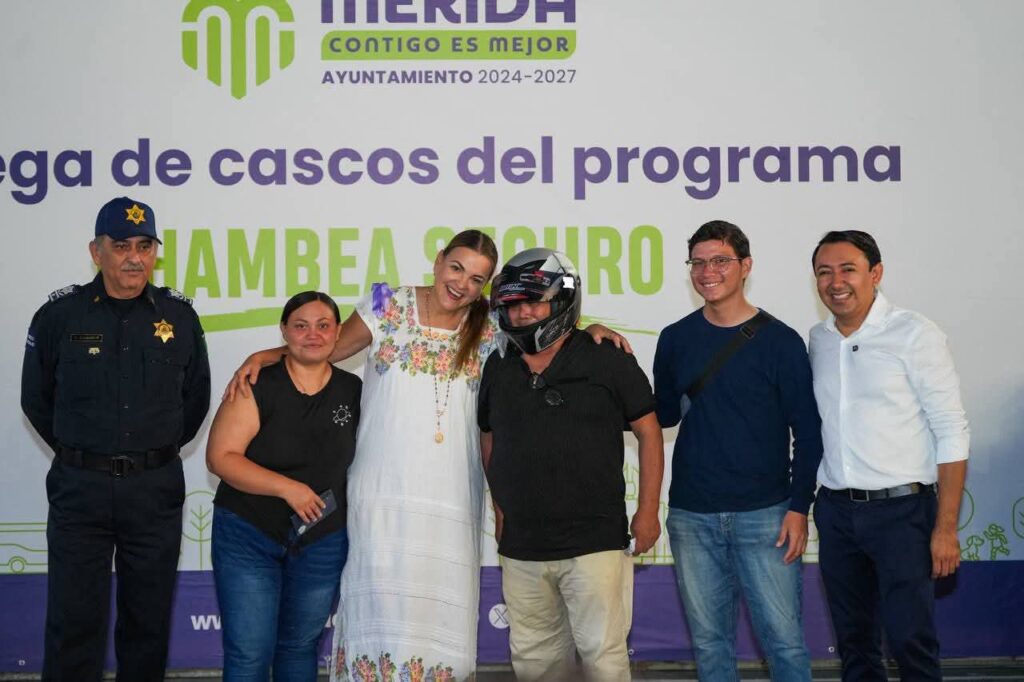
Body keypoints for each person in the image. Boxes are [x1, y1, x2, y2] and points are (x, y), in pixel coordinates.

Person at [226, 231, 629, 681]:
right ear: (438, 261)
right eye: (456, 268)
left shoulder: (493, 325)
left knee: (439, 617)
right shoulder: (386, 303)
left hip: (452, 494)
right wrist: (267, 354)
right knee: (381, 609)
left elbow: (546, 336)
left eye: (476, 279)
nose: (462, 284)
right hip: (382, 491)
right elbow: (325, 349)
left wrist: (591, 331)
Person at [20, 196, 211, 682]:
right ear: (96, 251)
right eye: (121, 245)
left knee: (147, 623)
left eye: (145, 246)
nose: (134, 257)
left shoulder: (179, 318)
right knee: (73, 622)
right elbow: (36, 400)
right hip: (80, 489)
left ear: (155, 252)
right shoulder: (60, 316)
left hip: (153, 490)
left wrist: (151, 453)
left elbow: (195, 401)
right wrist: (84, 452)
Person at [479, 248, 663, 682]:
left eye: (534, 302)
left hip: (594, 541)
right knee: (535, 661)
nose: (523, 313)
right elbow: (488, 436)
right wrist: (500, 508)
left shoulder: (606, 356)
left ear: (562, 301)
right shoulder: (499, 365)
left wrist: (648, 512)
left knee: (603, 659)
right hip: (522, 546)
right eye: (513, 304)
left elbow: (650, 432)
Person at [653, 220, 820, 682]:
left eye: (720, 260)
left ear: (746, 266)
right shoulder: (675, 338)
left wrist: (799, 508)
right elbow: (661, 415)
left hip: (767, 516)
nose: (708, 271)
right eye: (698, 262)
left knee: (784, 643)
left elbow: (809, 433)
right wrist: (602, 348)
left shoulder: (781, 342)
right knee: (710, 646)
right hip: (691, 515)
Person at [809, 230, 969, 681]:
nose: (835, 282)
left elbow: (952, 430)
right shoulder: (818, 339)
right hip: (836, 513)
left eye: (848, 269)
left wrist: (946, 528)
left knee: (910, 640)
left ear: (875, 273)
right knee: (854, 643)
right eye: (824, 272)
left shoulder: (915, 334)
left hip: (903, 514)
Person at [206, 291, 361, 681]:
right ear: (284, 331)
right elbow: (221, 457)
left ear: (338, 332)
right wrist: (287, 488)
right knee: (249, 653)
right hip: (248, 532)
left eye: (323, 325)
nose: (313, 334)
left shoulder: (355, 390)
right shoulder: (255, 383)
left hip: (322, 540)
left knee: (298, 647)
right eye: (301, 326)